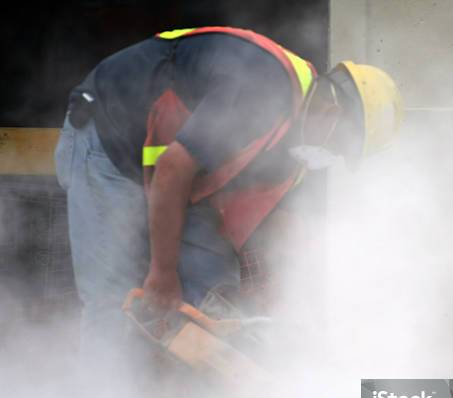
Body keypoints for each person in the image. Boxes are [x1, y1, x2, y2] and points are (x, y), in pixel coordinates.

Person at [54, 26, 403, 363]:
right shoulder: (260, 91)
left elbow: (278, 229)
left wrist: (291, 306)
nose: (334, 157)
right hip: (106, 140)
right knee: (112, 300)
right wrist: (164, 274)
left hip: (169, 177)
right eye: (341, 146)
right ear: (334, 113)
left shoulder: (293, 142)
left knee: (213, 297)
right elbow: (173, 169)